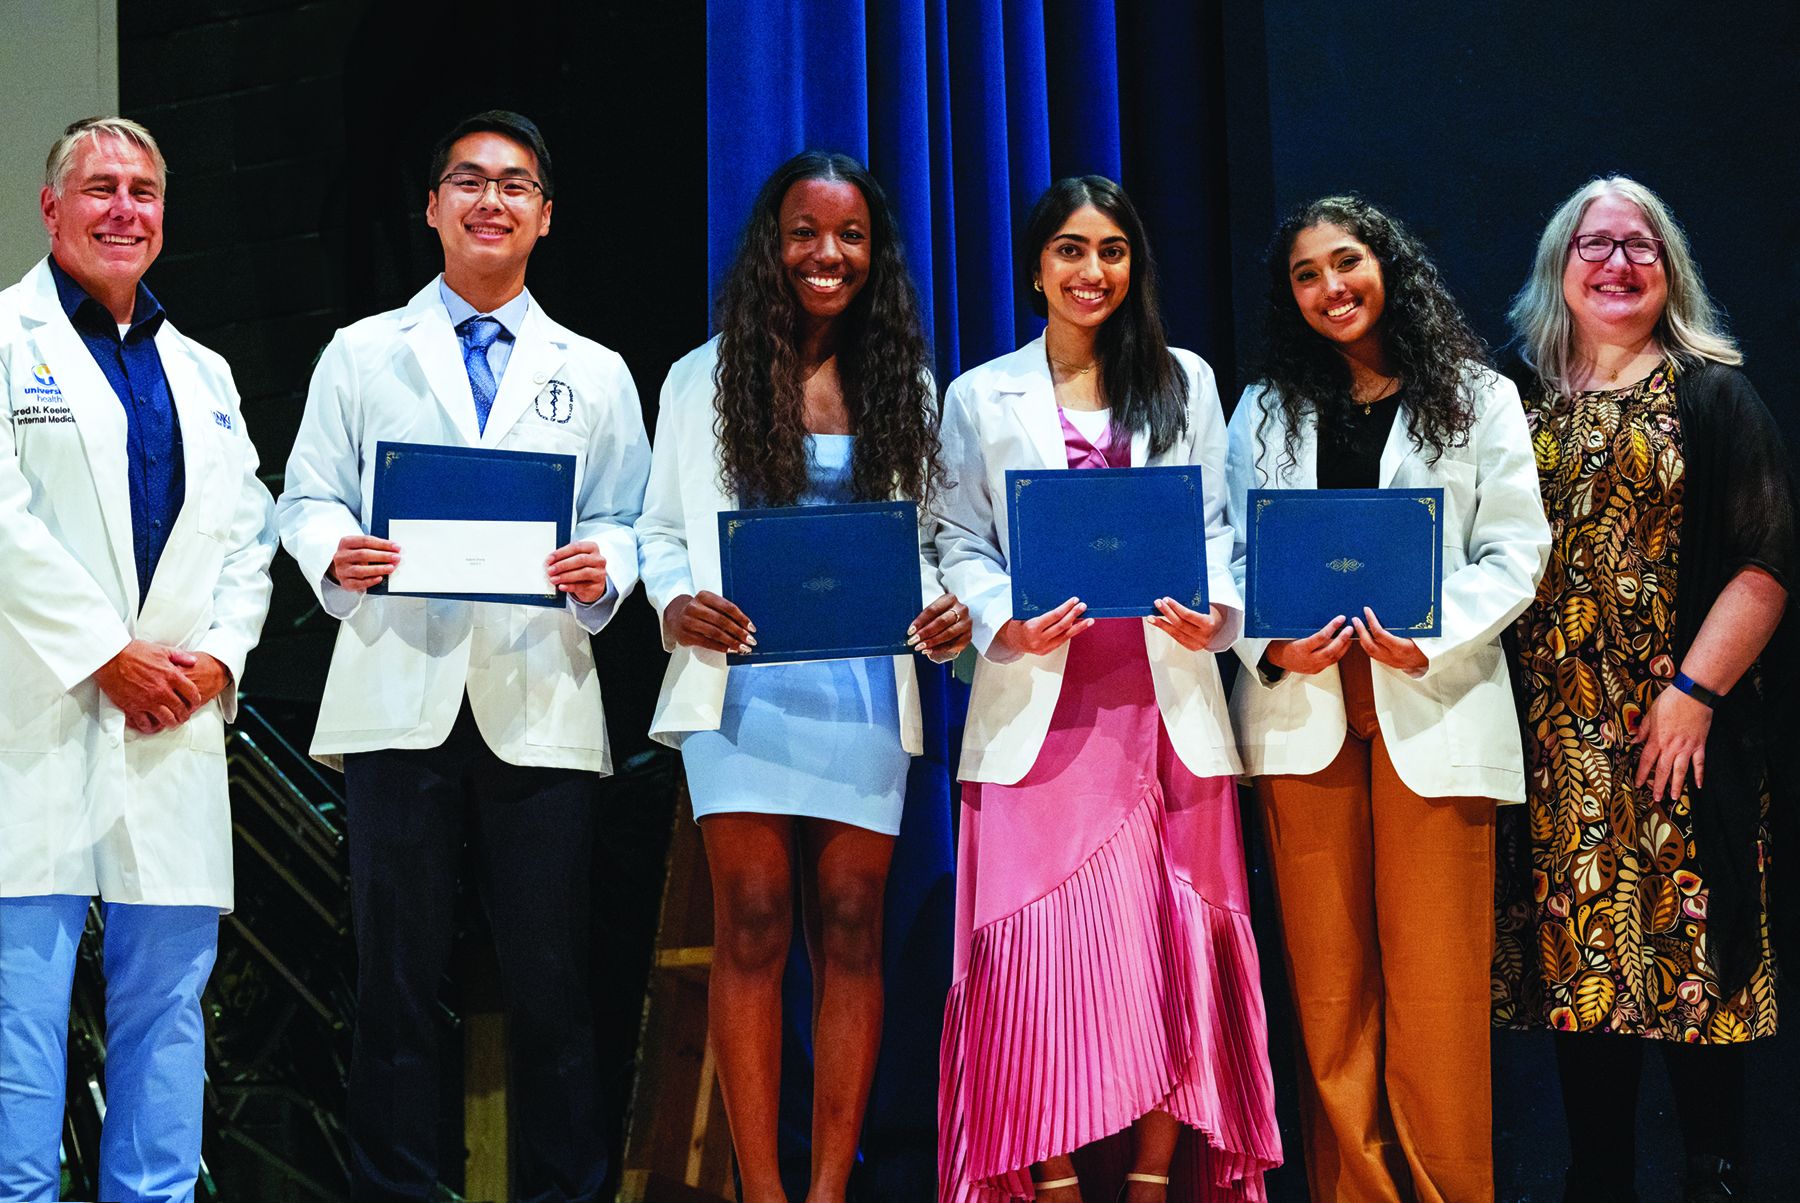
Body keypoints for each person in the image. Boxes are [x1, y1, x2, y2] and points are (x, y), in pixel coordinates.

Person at [275, 110, 650, 1202]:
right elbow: (305, 497)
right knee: (394, 985)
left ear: (545, 217)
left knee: (553, 985)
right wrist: (335, 553)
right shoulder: (362, 352)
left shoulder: (595, 371)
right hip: (401, 694)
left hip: (538, 694)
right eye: (470, 181)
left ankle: (563, 1191)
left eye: (515, 185)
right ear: (433, 206)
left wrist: (605, 567)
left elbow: (630, 516)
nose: (493, 200)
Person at [935, 176, 1280, 1203]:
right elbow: (954, 538)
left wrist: (1214, 612)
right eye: (1072, 250)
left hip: (1165, 701)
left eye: (1113, 251)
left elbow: (1216, 529)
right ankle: (1051, 1178)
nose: (1093, 271)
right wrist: (1002, 617)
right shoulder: (980, 394)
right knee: (1039, 957)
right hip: (1040, 709)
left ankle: (1150, 1177)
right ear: (1038, 268)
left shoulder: (1185, 381)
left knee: (1171, 944)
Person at [637, 149, 969, 1203]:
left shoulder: (905, 384)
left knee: (852, 921)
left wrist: (941, 605)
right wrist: (675, 602)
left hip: (861, 687)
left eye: (851, 235)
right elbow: (658, 533)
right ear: (771, 246)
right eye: (806, 233)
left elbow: (931, 544)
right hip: (742, 687)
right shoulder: (700, 378)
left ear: (875, 253)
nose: (828, 253)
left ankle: (828, 1189)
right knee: (751, 917)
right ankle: (764, 1190)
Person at [1224, 195, 1549, 1203]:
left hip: (1432, 699)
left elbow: (1516, 551)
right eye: (1306, 274)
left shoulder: (1480, 396)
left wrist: (1430, 636)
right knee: (1329, 990)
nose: (1331, 287)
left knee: (1437, 990)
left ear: (1387, 266)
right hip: (1303, 708)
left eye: (1346, 262)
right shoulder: (1263, 408)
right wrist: (1269, 638)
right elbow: (1229, 551)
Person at [1491, 176, 1791, 1203]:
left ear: (1670, 270)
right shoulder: (1510, 398)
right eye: (1595, 244)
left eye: (1640, 245)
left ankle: (1714, 1176)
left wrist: (1696, 693)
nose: (1617, 263)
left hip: (1678, 740)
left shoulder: (1715, 394)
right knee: (1585, 983)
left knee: (1693, 970)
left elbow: (1765, 561)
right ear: (1558, 266)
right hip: (1555, 749)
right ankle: (1598, 1181)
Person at [0, 117, 277, 1203]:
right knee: (20, 1018)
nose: (125, 209)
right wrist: (107, 653)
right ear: (51, 208)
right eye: (101, 187)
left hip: (173, 727)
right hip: (37, 718)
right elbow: (5, 526)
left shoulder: (204, 372)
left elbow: (248, 537)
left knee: (168, 1015)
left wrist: (216, 661)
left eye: (144, 191)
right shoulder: (6, 339)